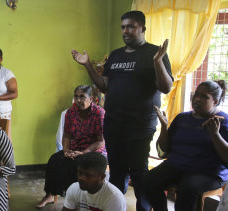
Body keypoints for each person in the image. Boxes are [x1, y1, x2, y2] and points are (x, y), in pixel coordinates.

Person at [71, 10, 173, 211]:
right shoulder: (116, 55)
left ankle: (143, 208)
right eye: (123, 27)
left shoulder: (155, 53)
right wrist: (87, 65)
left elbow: (166, 87)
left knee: (139, 172)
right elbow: (104, 86)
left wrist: (158, 63)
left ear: (142, 28)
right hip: (113, 124)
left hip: (139, 125)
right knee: (116, 172)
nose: (126, 31)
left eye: (131, 26)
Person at [142, 80, 228, 211]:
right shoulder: (182, 118)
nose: (197, 99)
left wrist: (215, 135)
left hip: (208, 172)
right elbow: (164, 150)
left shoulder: (225, 122)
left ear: (215, 102)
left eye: (204, 97)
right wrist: (165, 128)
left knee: (188, 188)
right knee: (149, 180)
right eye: (196, 95)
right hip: (178, 165)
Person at [37, 85, 105, 208]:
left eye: (82, 97)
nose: (78, 100)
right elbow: (67, 135)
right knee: (55, 160)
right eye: (76, 97)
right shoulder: (70, 112)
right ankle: (50, 194)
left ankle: (74, 200)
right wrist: (66, 150)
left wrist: (84, 152)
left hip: (93, 152)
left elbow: (101, 141)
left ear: (91, 99)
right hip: (75, 149)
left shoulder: (99, 113)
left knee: (74, 166)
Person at [62, 152, 126, 211]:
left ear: (102, 177)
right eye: (80, 173)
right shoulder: (74, 189)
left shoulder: (114, 198)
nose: (81, 178)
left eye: (88, 175)